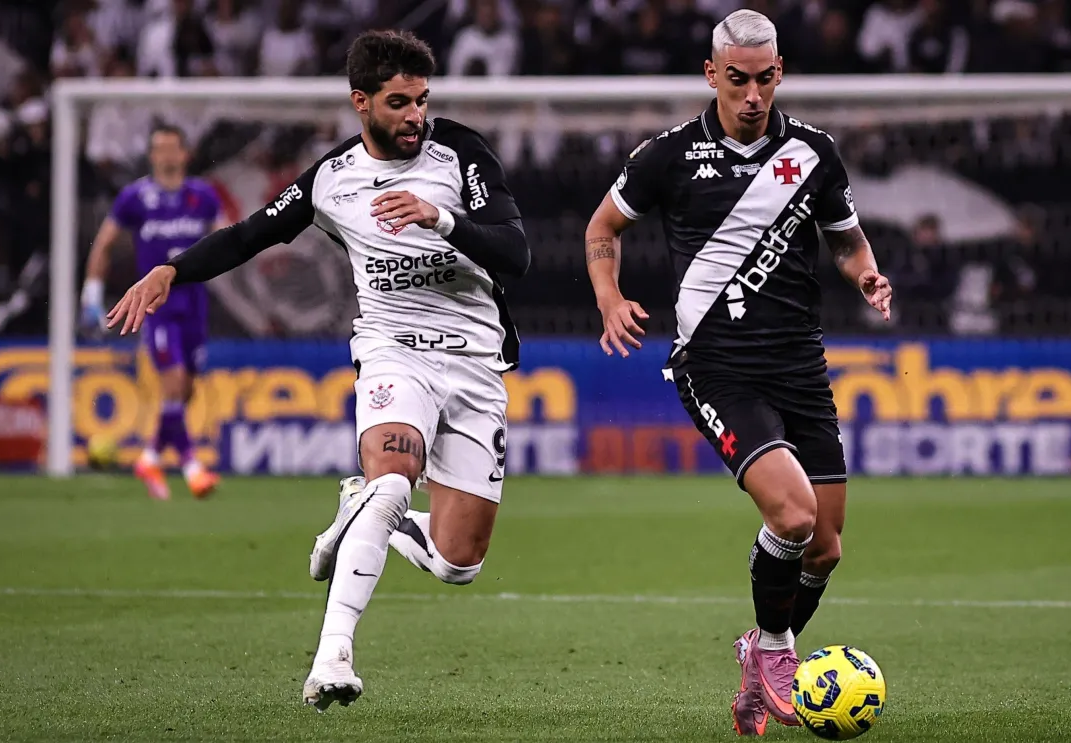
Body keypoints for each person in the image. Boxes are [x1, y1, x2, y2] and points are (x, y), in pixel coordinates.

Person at [105, 30, 530, 711]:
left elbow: (515, 253)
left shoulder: (461, 153)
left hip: (476, 362)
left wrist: (441, 218)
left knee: (459, 563)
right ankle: (332, 656)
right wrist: (171, 271)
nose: (415, 116)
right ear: (361, 103)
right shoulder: (333, 178)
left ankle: (365, 512)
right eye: (398, 103)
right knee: (392, 477)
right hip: (393, 351)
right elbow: (250, 235)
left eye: (422, 100)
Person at [582, 10, 892, 736]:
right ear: (711, 74)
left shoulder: (814, 152)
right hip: (717, 367)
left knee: (825, 548)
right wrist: (609, 298)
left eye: (764, 79)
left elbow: (847, 241)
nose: (752, 95)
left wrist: (867, 274)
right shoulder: (667, 155)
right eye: (737, 80)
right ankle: (777, 648)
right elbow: (602, 228)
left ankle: (757, 656)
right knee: (793, 515)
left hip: (800, 367)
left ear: (779, 73)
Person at [83, 124, 229, 500]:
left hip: (195, 302)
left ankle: (149, 457)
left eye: (171, 148)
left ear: (185, 154)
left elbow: (228, 237)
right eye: (159, 148)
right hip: (157, 306)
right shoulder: (135, 198)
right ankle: (192, 467)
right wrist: (92, 293)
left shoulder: (202, 195)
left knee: (186, 390)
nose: (165, 155)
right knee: (174, 380)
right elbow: (104, 244)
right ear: (151, 155)